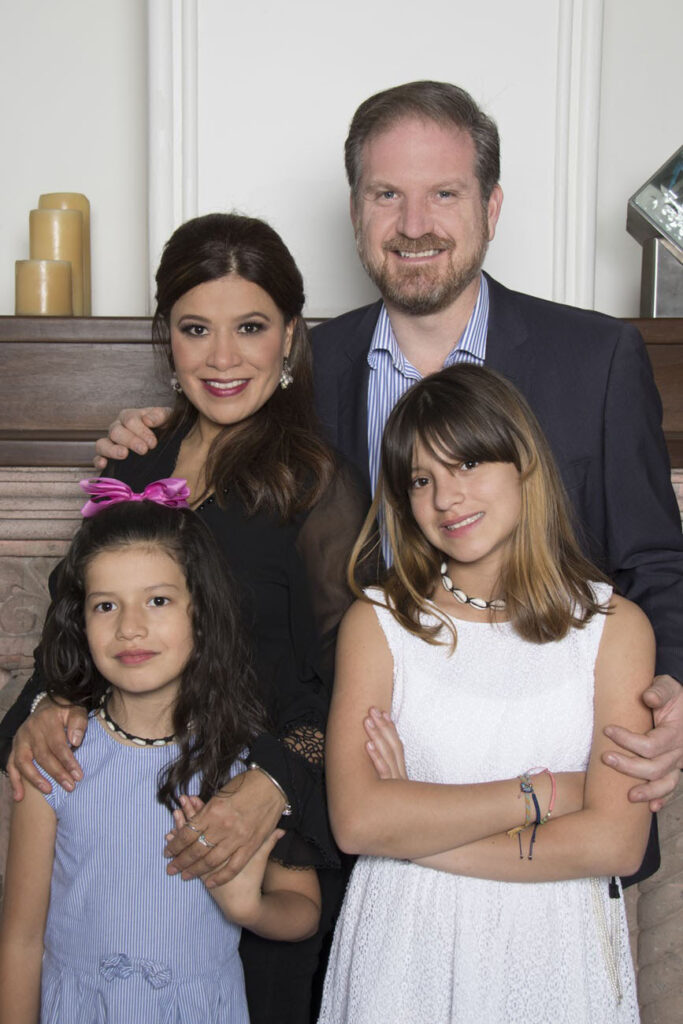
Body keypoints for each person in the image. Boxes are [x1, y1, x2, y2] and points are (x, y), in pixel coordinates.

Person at [87, 82, 683, 839]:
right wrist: (152, 435)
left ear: (491, 208)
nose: (414, 225)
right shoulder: (300, 369)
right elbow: (221, 469)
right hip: (364, 776)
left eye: (444, 193)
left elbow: (656, 560)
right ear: (354, 211)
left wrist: (674, 689)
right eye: (386, 195)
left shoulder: (596, 358)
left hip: (557, 771)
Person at [0, 213, 370, 1024]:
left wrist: (271, 782)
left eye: (251, 328)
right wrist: (44, 708)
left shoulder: (318, 486)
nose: (222, 358)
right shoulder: (137, 460)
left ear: (290, 337)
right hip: (124, 831)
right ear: (165, 337)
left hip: (258, 842)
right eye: (196, 329)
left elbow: (356, 689)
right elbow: (73, 627)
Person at [318, 364, 651, 1023]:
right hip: (404, 943)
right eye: (421, 480)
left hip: (556, 947)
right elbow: (357, 822)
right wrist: (548, 793)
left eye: (467, 464)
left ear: (523, 463)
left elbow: (614, 844)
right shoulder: (379, 623)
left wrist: (415, 832)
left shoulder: (613, 628)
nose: (446, 497)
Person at [0, 491, 321, 1023]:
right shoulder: (56, 761)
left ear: (202, 613)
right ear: (81, 621)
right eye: (106, 605)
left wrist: (250, 907)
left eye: (158, 601)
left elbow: (303, 909)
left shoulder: (248, 764)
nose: (130, 627)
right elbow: (21, 938)